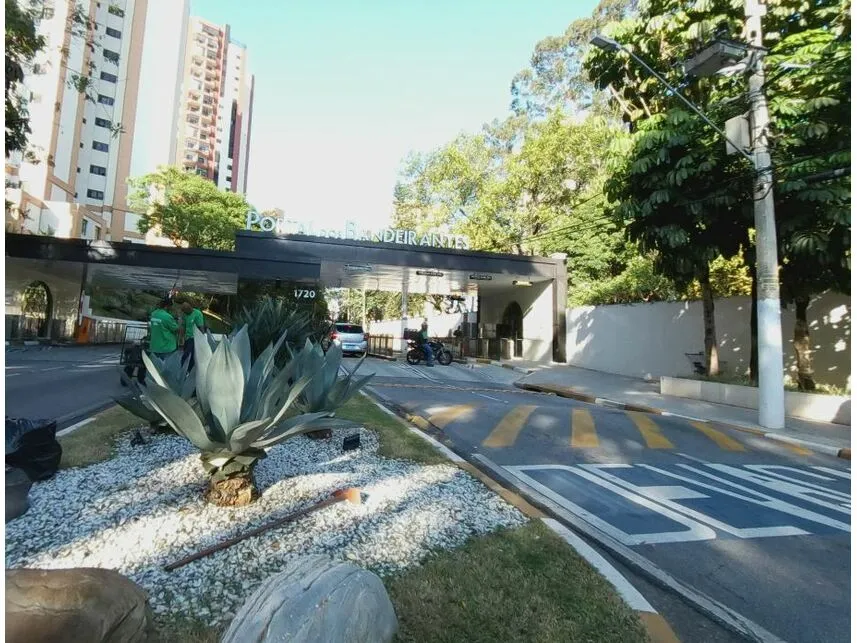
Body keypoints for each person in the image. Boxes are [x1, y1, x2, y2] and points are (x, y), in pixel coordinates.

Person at [179, 300, 205, 369]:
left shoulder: (197, 314)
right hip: (187, 338)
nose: (184, 313)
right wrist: (181, 337)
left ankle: (187, 370)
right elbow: (183, 326)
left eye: (185, 311)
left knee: (188, 355)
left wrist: (202, 339)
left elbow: (201, 327)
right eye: (183, 312)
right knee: (186, 354)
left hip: (194, 338)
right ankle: (184, 369)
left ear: (189, 308)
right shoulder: (185, 315)